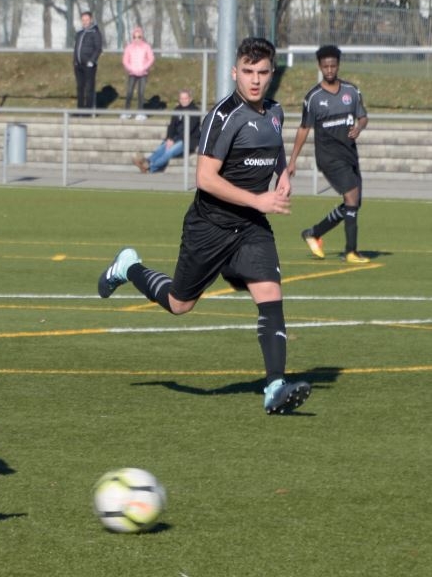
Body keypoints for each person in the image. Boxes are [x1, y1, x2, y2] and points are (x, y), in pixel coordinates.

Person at [97, 37, 311, 415]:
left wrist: (282, 175)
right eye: (248, 72)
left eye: (262, 72)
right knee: (180, 304)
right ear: (235, 72)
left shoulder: (275, 112)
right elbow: (205, 178)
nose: (255, 80)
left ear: (271, 74)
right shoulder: (222, 117)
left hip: (249, 227)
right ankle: (129, 266)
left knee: (271, 296)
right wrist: (260, 199)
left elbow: (275, 149)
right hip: (209, 226)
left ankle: (275, 386)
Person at [287, 44, 370, 263]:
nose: (330, 70)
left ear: (338, 65)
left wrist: (359, 127)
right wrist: (292, 160)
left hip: (349, 154)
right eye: (326, 66)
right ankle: (351, 252)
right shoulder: (313, 97)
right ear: (320, 67)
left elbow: (363, 117)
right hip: (328, 156)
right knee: (351, 196)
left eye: (333, 65)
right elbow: (304, 128)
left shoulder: (351, 91)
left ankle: (313, 233)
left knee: (354, 203)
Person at [133, 88, 200, 173]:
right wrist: (169, 138)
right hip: (176, 138)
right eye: (181, 98)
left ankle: (150, 167)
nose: (183, 101)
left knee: (169, 152)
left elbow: (188, 130)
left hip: (188, 140)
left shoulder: (194, 111)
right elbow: (172, 126)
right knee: (161, 148)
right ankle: (147, 161)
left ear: (190, 99)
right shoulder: (177, 109)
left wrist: (174, 141)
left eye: (185, 98)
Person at [120, 26, 155, 120]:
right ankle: (127, 111)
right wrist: (130, 68)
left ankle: (140, 112)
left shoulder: (146, 46)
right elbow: (125, 60)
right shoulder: (129, 47)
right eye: (135, 37)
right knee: (129, 92)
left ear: (142, 37)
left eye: (139, 37)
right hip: (132, 73)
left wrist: (144, 68)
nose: (137, 39)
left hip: (143, 73)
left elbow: (151, 58)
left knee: (141, 92)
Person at [72, 11, 103, 114]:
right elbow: (76, 48)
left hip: (89, 65)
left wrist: (91, 61)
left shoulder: (95, 32)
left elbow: (98, 48)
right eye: (83, 20)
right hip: (78, 64)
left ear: (91, 20)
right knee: (80, 87)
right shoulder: (80, 33)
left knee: (89, 88)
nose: (85, 22)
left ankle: (88, 111)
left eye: (87, 20)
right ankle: (80, 109)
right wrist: (75, 61)